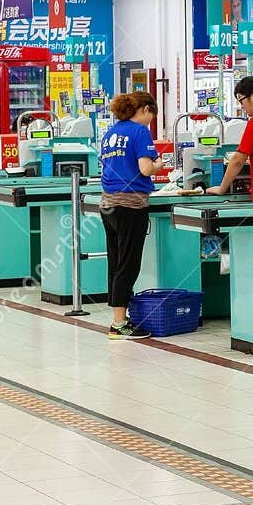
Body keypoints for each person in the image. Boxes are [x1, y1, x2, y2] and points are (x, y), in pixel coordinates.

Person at [98, 91, 162, 339]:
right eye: (152, 115)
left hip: (108, 204)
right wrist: (158, 165)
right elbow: (145, 168)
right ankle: (119, 323)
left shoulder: (111, 133)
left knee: (115, 262)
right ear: (146, 109)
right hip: (130, 204)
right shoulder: (139, 131)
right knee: (129, 263)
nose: (151, 121)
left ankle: (117, 317)